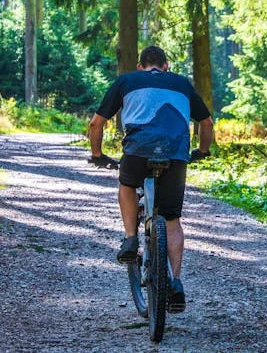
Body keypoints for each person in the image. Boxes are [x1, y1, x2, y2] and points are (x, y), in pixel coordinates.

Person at [87, 45, 214, 314]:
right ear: (166, 65)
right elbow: (207, 123)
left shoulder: (127, 81)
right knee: (171, 219)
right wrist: (202, 151)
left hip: (138, 150)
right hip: (176, 153)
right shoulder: (181, 82)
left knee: (127, 184)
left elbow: (95, 124)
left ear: (140, 66)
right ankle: (176, 283)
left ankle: (131, 238)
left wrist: (98, 155)